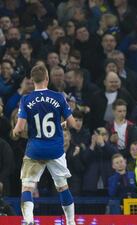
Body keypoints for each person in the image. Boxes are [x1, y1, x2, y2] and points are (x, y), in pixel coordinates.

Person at [12, 65, 78, 225]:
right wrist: (60, 125)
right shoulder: (58, 97)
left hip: (35, 150)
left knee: (27, 187)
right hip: (55, 149)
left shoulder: (26, 99)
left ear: (32, 80)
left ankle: (28, 221)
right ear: (47, 78)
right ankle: (71, 222)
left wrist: (14, 133)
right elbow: (73, 124)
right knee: (63, 187)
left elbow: (19, 129)